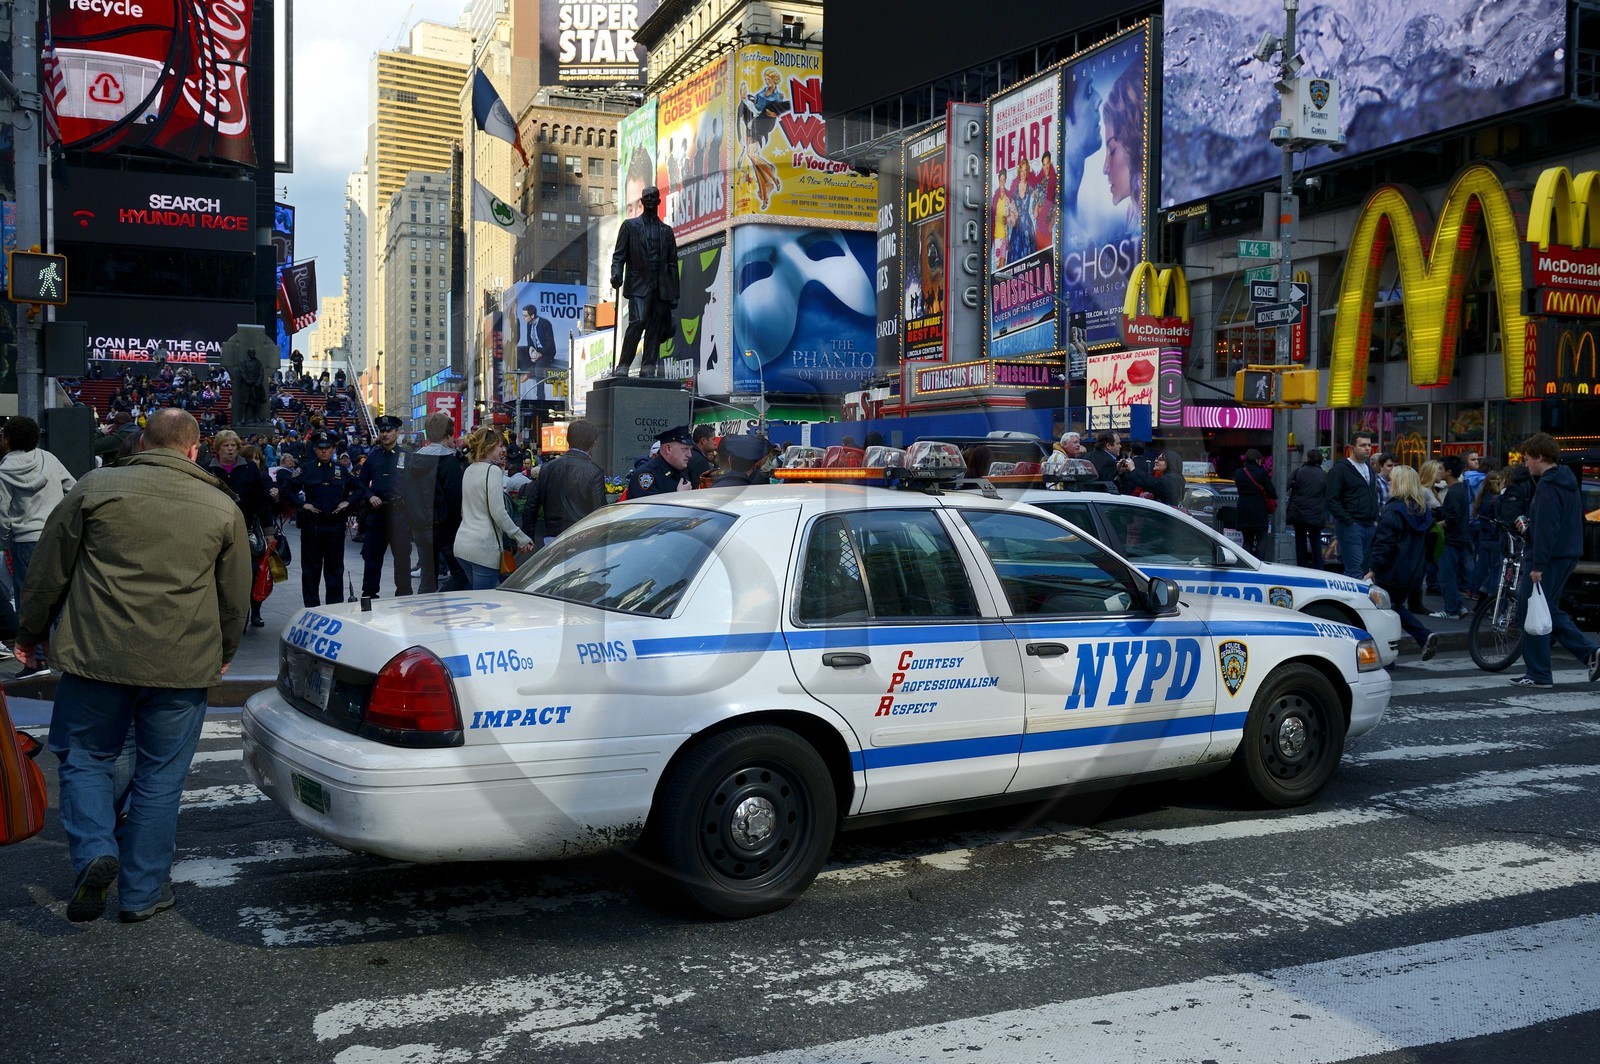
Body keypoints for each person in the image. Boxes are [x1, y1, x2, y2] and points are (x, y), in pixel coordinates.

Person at [22, 409, 249, 923]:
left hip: (96, 656)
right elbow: (234, 597)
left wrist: (29, 632)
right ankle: (144, 892)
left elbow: (47, 568)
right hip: (182, 662)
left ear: (143, 442)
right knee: (160, 778)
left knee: (85, 758)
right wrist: (226, 650)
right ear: (195, 450)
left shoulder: (93, 487)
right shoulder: (220, 505)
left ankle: (96, 849)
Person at [1511, 433, 1600, 689]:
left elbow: (1547, 528)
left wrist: (1537, 564)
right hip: (1565, 554)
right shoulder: (1565, 480)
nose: (1526, 464)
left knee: (1531, 610)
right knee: (1547, 609)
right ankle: (1589, 652)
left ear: (1539, 457)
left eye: (1527, 458)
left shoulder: (1549, 486)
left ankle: (1538, 673)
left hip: (1548, 558)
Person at [0, 416, 77, 628]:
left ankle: (36, 658)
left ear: (6, 439)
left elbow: (2, 514)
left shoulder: (3, 472)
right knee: (59, 595)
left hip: (24, 541)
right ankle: (62, 654)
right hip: (56, 536)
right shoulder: (49, 459)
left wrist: (7, 541)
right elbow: (74, 489)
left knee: (29, 600)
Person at [1365, 465, 1440, 662]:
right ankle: (1422, 637)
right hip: (1413, 571)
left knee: (1383, 611)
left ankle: (1389, 655)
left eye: (1392, 480)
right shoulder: (1423, 511)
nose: (1389, 483)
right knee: (1394, 606)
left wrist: (1373, 569)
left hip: (1391, 570)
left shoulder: (1393, 511)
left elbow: (1384, 545)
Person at [209, 429, 275, 629]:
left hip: (246, 528)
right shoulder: (207, 469)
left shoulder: (249, 469)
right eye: (226, 446)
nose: (230, 450)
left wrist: (268, 531)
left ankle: (253, 610)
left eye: (233, 446)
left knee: (251, 572)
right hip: (216, 529)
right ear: (218, 448)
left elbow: (262, 501)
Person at [611, 186, 679, 378]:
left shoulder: (667, 232)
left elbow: (673, 262)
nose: (649, 200)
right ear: (641, 201)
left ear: (659, 201)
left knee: (655, 327)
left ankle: (648, 366)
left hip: (661, 287)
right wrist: (616, 274)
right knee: (638, 321)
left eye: (653, 197)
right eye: (646, 197)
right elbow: (619, 256)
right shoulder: (630, 226)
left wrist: (674, 293)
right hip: (639, 285)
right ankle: (623, 364)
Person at [453, 428, 534, 590]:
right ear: (488, 447)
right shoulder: (492, 471)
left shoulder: (470, 469)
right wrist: (520, 537)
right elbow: (498, 512)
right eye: (499, 446)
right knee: (485, 604)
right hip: (483, 549)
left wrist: (500, 470)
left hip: (463, 545)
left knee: (478, 598)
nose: (503, 450)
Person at [292, 431, 355, 608]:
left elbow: (360, 489)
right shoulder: (306, 469)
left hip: (335, 526)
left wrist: (347, 502)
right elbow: (287, 489)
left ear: (334, 449)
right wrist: (301, 504)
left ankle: (335, 608)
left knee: (334, 569)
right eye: (320, 448)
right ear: (315, 449)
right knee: (311, 570)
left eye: (328, 448)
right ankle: (311, 607)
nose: (324, 451)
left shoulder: (341, 470)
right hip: (313, 526)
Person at [405, 413, 466, 595]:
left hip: (420, 526)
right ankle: (440, 602)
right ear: (448, 435)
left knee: (428, 577)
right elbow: (455, 499)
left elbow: (407, 492)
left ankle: (426, 613)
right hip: (445, 528)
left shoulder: (413, 459)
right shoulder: (449, 461)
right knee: (460, 575)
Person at [524, 418, 605, 547]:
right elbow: (599, 512)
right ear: (593, 443)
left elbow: (531, 504)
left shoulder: (547, 467)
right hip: (581, 537)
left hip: (552, 537)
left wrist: (528, 537)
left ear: (568, 440)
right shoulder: (594, 472)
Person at [357, 415, 413, 599]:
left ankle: (404, 593)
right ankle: (369, 593)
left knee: (402, 557)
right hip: (377, 514)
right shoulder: (372, 457)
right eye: (382, 431)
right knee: (372, 557)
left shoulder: (407, 456)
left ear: (397, 433)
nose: (385, 434)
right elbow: (360, 484)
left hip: (399, 514)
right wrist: (370, 495)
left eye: (389, 430)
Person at [1326, 434, 1379, 579]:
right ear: (1352, 448)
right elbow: (1331, 499)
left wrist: (1375, 519)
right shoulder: (1340, 469)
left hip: (1369, 524)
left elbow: (1372, 495)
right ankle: (1350, 600)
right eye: (1363, 445)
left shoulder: (1369, 468)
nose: (1367, 448)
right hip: (1352, 525)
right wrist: (1348, 520)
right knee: (1355, 568)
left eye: (1369, 445)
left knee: (1363, 569)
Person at [1431, 455, 1473, 620]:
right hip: (1459, 538)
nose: (1439, 471)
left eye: (1441, 469)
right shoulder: (1460, 489)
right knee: (1451, 575)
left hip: (1451, 539)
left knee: (1446, 576)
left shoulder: (1454, 492)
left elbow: (1452, 518)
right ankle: (1458, 606)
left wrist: (1434, 526)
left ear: (1449, 472)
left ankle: (1451, 610)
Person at [625, 425, 696, 498]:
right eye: (684, 449)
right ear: (668, 449)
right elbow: (649, 508)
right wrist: (679, 496)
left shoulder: (679, 471)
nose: (689, 455)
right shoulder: (647, 475)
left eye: (690, 450)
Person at [1286, 448, 1329, 569]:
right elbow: (1328, 494)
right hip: (1316, 513)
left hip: (1298, 512)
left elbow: (1286, 485)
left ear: (1307, 458)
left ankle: (1302, 567)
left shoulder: (1298, 471)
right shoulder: (1324, 475)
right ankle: (1319, 567)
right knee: (1316, 540)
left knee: (1300, 540)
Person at [1232, 449, 1277, 556]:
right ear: (1257, 460)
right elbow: (1272, 492)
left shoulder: (1239, 473)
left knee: (1247, 540)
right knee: (1262, 538)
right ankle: (1260, 563)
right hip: (1259, 511)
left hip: (1244, 510)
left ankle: (1248, 563)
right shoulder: (1262, 473)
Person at [1116, 448, 1184, 506]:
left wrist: (1133, 469)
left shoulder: (1172, 479)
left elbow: (1149, 482)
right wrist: (1122, 474)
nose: (1156, 461)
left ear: (1171, 463)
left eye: (1160, 459)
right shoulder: (1165, 477)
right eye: (1156, 459)